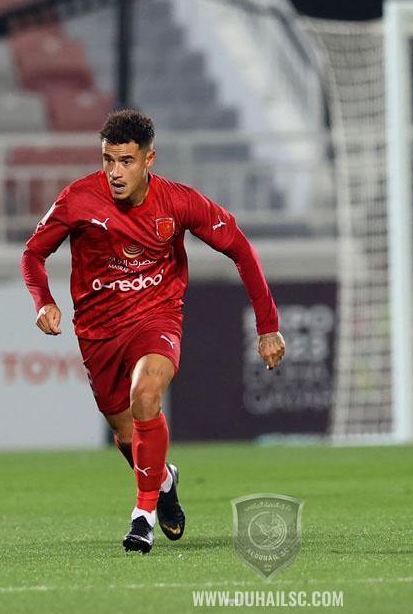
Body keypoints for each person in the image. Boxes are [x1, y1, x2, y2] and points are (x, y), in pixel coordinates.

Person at [20, 109, 286, 553]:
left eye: (126, 161)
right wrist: (43, 301)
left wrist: (268, 326)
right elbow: (33, 255)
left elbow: (239, 248)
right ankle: (163, 480)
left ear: (149, 160)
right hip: (97, 331)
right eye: (108, 160)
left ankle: (141, 518)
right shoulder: (77, 200)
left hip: (155, 318)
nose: (115, 172)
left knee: (145, 396)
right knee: (126, 436)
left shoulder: (179, 202)